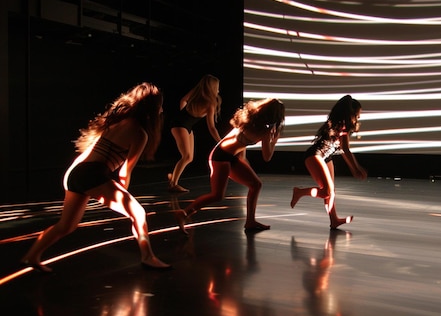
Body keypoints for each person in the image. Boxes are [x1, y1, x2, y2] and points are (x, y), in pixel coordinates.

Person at [21, 82, 171, 272]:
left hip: (75, 172)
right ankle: (148, 257)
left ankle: (31, 255)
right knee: (138, 213)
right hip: (92, 174)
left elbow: (90, 153)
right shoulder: (140, 133)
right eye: (160, 105)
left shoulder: (116, 122)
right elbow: (125, 171)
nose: (162, 109)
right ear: (153, 107)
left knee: (66, 225)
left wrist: (76, 179)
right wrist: (123, 195)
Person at [175, 98, 285, 234]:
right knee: (217, 195)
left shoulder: (251, 120)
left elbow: (236, 143)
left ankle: (250, 221)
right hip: (220, 157)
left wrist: (243, 161)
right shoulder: (264, 130)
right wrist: (274, 141)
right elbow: (267, 157)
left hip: (229, 155)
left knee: (256, 184)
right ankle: (184, 213)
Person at [290, 95, 367, 229]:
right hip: (315, 156)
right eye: (358, 114)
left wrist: (354, 168)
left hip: (326, 157)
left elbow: (343, 151)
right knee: (326, 191)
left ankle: (334, 220)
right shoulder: (342, 124)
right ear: (352, 113)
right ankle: (299, 192)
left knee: (331, 191)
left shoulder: (340, 124)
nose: (359, 117)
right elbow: (346, 150)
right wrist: (356, 168)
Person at [168, 74, 222, 192]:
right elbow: (212, 128)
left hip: (186, 125)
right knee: (186, 156)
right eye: (217, 87)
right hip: (179, 125)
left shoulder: (198, 93)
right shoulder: (210, 103)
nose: (218, 90)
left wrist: (184, 112)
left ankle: (173, 180)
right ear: (213, 88)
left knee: (189, 157)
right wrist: (220, 142)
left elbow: (183, 100)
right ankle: (173, 184)